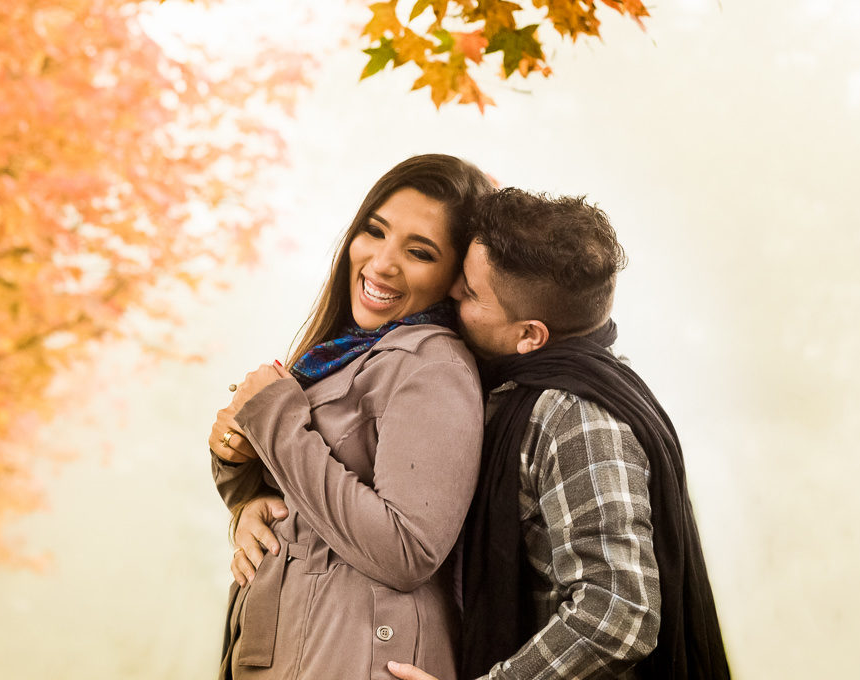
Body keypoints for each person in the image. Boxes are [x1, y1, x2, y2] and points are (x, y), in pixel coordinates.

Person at [237, 189, 732, 680]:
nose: (453, 292)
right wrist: (247, 494)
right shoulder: (511, 385)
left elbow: (619, 613)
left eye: (472, 293)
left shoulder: (577, 418)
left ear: (530, 336)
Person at [207, 154, 495, 679]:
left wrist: (273, 418)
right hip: (305, 645)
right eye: (374, 231)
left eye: (419, 252)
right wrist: (245, 487)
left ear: (456, 277)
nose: (382, 263)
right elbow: (306, 495)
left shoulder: (430, 365)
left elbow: (407, 549)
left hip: (354, 656)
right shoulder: (346, 353)